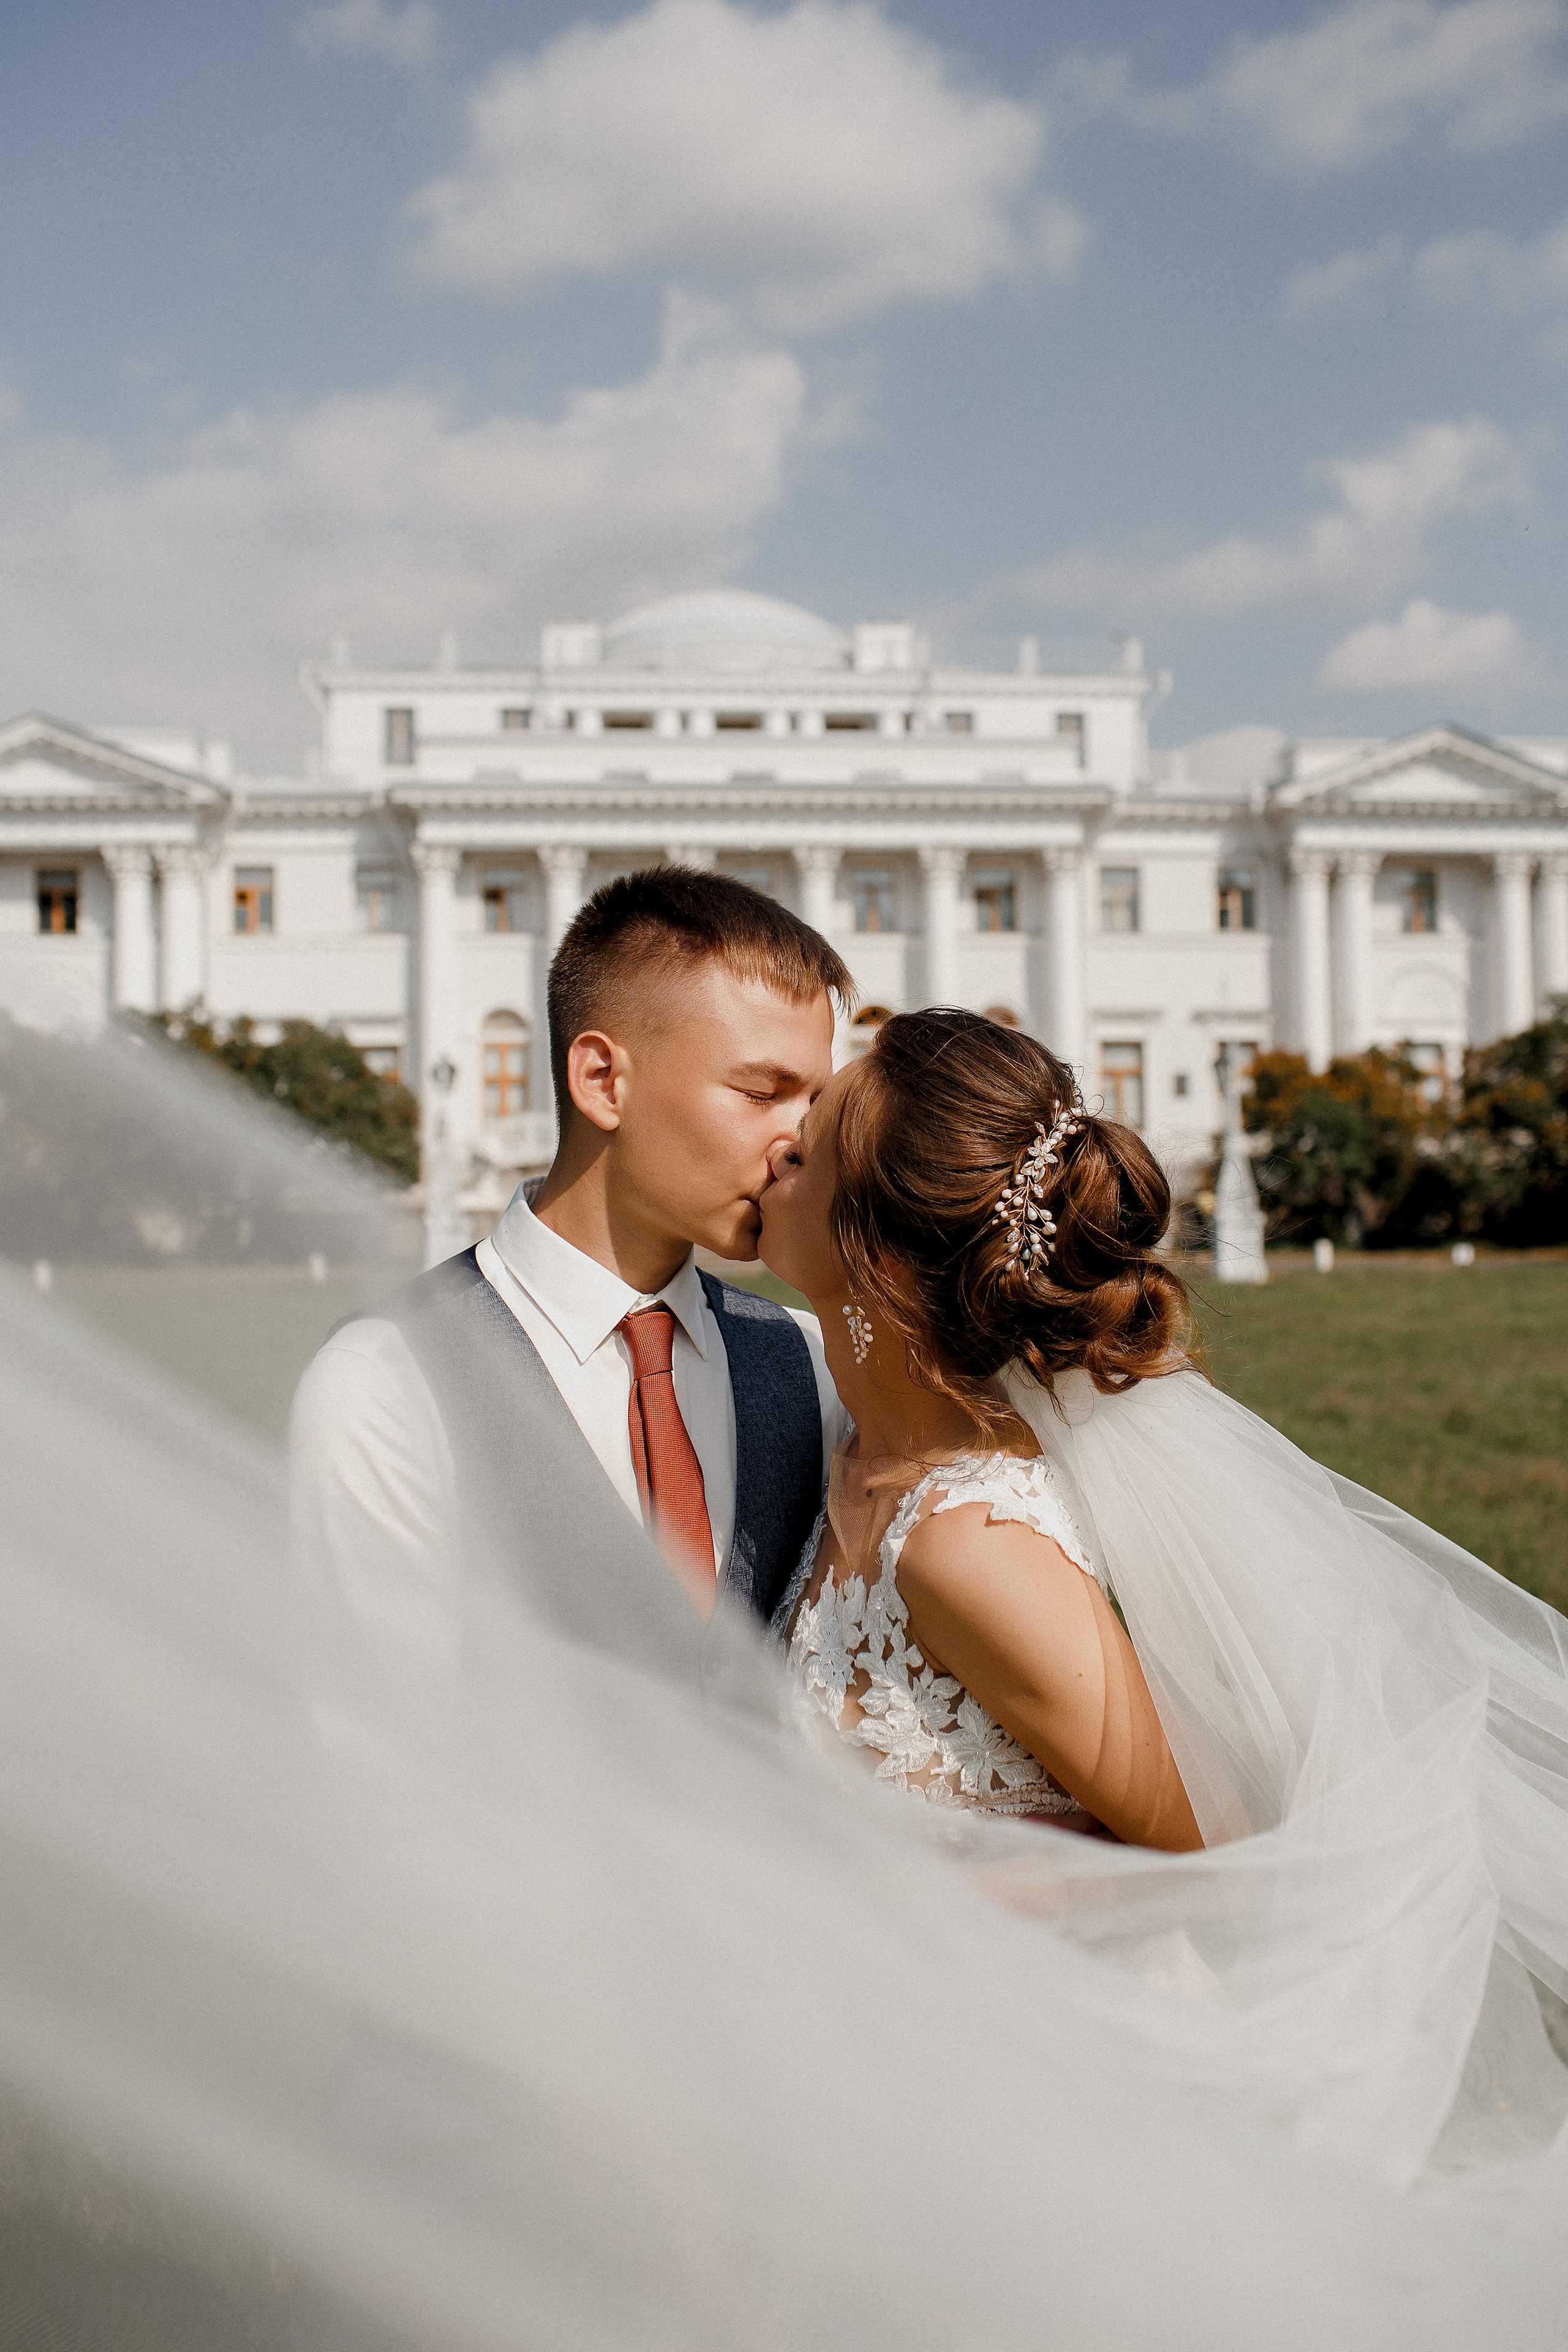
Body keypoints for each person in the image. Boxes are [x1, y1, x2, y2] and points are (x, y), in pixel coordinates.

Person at [758, 1008, 1568, 2177]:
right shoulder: (850, 1455)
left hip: (1037, 2101)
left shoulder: (966, 1549)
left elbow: (1228, 1857)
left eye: (816, 1134)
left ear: (879, 1249)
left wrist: (917, 1903)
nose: (779, 1145)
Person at [289, 866, 852, 1683]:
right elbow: (377, 1763)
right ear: (601, 1081)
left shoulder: (808, 1362)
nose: (800, 1140)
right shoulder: (384, 1383)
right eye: (762, 1092)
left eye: (815, 1103)